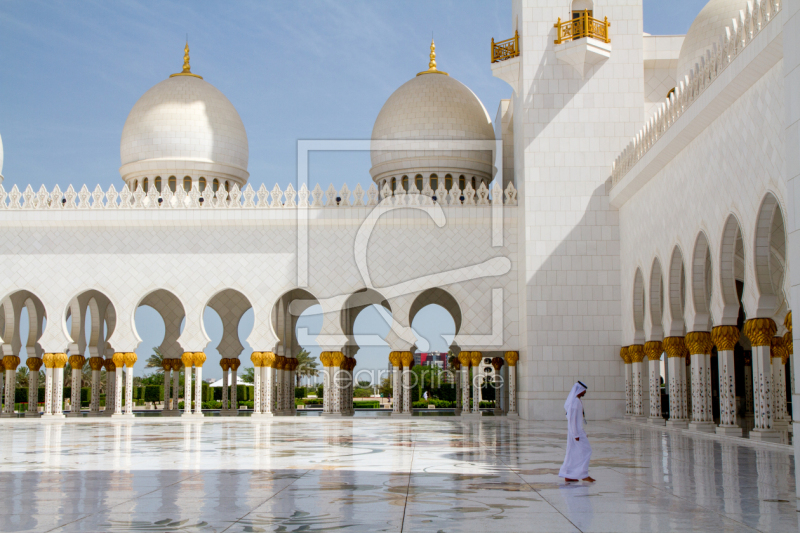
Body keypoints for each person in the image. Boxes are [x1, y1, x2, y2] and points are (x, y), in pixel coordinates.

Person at [558, 381, 595, 483]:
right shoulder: (575, 402)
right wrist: (575, 434)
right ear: (580, 390)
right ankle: (583, 474)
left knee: (574, 453)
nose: (584, 392)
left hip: (577, 432)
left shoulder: (577, 401)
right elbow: (572, 419)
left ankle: (570, 474)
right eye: (584, 391)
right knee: (587, 451)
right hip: (576, 433)